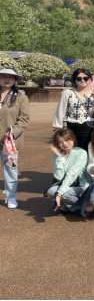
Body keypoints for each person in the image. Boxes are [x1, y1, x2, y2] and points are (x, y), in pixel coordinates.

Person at [0, 69, 30, 210]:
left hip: (9, 140)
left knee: (10, 168)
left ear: (15, 80)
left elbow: (24, 119)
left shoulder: (20, 97)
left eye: (10, 77)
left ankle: (11, 196)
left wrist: (12, 133)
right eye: (3, 77)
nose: (6, 79)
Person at [53, 68, 94, 151]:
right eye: (79, 78)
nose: (82, 80)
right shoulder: (68, 93)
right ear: (75, 80)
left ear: (90, 79)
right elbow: (60, 111)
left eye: (85, 78)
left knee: (86, 150)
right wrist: (58, 127)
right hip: (70, 126)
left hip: (89, 126)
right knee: (70, 150)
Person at [46, 129, 92, 215]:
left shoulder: (81, 152)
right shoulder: (57, 156)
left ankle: (81, 207)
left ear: (73, 138)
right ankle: (71, 208)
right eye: (60, 142)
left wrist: (59, 193)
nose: (64, 144)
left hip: (82, 185)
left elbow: (72, 174)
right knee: (51, 191)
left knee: (64, 194)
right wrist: (59, 158)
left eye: (67, 140)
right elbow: (59, 177)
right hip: (68, 185)